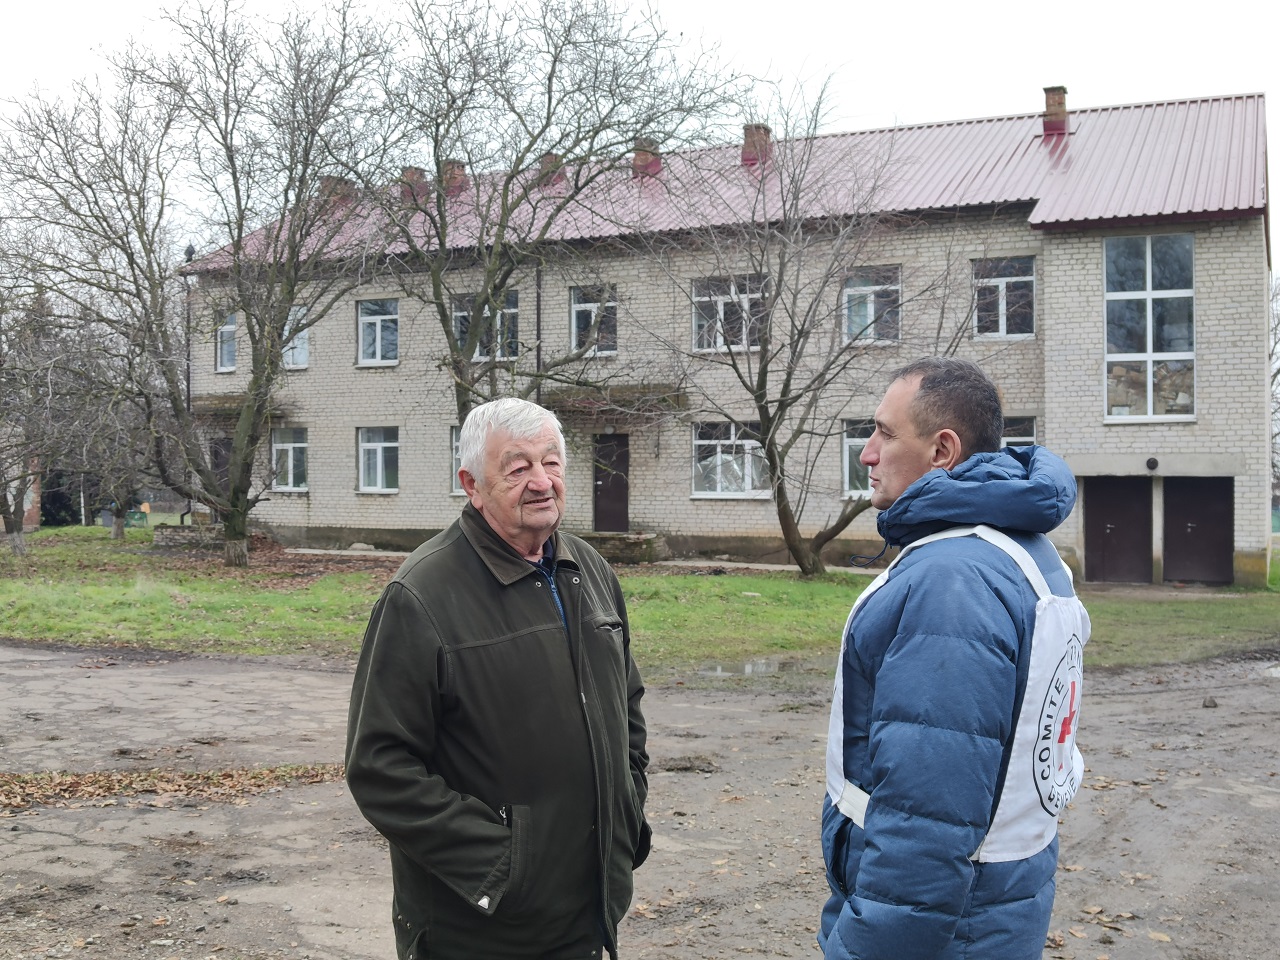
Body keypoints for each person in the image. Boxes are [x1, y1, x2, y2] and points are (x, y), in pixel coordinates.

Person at [346, 397, 650, 960]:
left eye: (551, 463)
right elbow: (379, 767)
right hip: (479, 930)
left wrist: (627, 806)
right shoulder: (422, 595)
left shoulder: (589, 570)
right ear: (472, 485)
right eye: (517, 468)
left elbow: (625, 702)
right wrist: (503, 867)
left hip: (588, 911)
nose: (542, 482)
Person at [820, 357, 1090, 960]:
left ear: (942, 450)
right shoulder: (1024, 551)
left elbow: (928, 824)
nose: (866, 454)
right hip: (994, 912)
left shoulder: (952, 579)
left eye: (884, 434)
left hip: (946, 931)